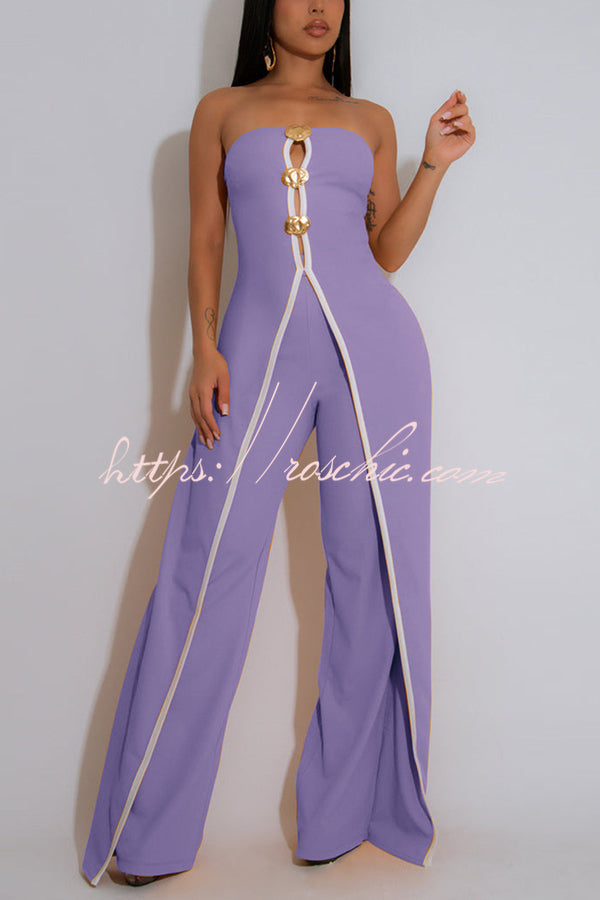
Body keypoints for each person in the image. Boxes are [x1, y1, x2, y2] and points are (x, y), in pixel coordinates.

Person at [81, 0, 475, 888]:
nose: (320, 8)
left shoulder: (369, 120)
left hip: (376, 356)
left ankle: (343, 816)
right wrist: (205, 350)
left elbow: (384, 254)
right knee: (207, 565)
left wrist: (433, 166)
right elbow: (204, 237)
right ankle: (148, 834)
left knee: (369, 576)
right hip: (252, 356)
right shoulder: (221, 112)